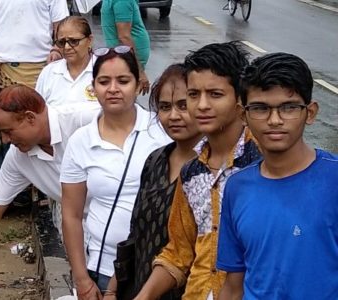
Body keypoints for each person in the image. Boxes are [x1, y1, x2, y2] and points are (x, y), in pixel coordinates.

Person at [0, 85, 101, 300]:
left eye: (8, 131)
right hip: (84, 234)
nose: (4, 140)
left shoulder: (86, 119)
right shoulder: (18, 157)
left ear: (31, 118)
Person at [134, 41, 261, 300]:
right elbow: (179, 253)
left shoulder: (261, 164)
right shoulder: (192, 172)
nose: (201, 105)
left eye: (215, 94)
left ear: (240, 99)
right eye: (194, 95)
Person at [217, 53, 338, 299]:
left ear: (310, 112)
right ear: (243, 115)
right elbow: (233, 283)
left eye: (288, 107)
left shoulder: (333, 178)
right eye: (260, 108)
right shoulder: (237, 188)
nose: (274, 120)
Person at [60, 46, 172, 297]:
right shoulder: (81, 141)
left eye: (123, 80)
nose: (113, 89)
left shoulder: (162, 131)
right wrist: (81, 279)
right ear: (93, 87)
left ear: (138, 84)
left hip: (157, 270)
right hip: (100, 268)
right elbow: (71, 214)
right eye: (104, 81)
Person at [105, 64, 202, 300]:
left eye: (183, 105)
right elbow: (135, 233)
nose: (174, 116)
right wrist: (111, 290)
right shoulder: (156, 160)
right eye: (165, 107)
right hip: (139, 289)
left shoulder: (211, 170)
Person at [0, 0, 69, 203]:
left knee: (35, 132)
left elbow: (61, 23)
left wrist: (56, 49)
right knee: (1, 135)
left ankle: (37, 195)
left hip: (37, 68)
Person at [36, 16, 99, 106]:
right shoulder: (48, 73)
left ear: (89, 40)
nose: (67, 47)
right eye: (61, 42)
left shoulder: (103, 70)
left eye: (74, 41)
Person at [100, 0, 151, 95]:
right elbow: (124, 37)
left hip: (122, 60)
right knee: (126, 101)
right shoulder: (123, 1)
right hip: (126, 62)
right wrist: (139, 70)